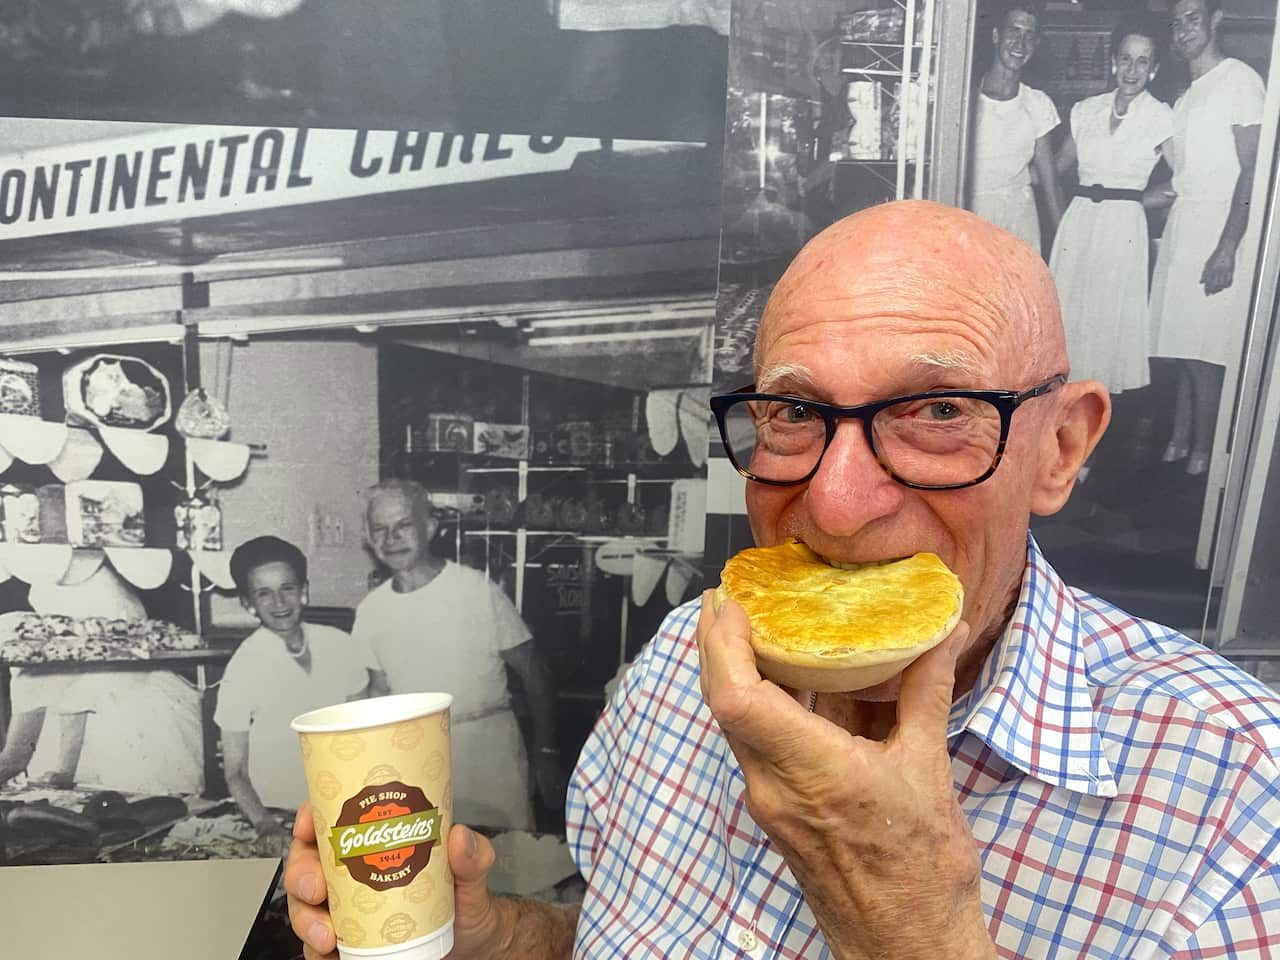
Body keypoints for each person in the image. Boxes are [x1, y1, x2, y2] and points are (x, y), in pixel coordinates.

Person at [285, 201, 1280, 958]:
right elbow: (610, 929)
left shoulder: (1239, 803)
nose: (837, 506)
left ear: (1058, 448)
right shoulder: (686, 657)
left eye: (935, 410)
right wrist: (492, 935)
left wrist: (913, 925)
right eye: (793, 415)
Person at [351, 479, 562, 832]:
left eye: (403, 526)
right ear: (370, 541)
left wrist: (546, 753)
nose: (392, 539)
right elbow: (377, 694)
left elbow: (535, 672)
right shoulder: (372, 610)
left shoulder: (475, 589)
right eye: (380, 530)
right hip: (415, 760)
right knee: (430, 873)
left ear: (430, 528)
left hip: (489, 753)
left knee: (504, 873)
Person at [1148, 0, 1264, 476]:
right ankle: (1180, 441)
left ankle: (1206, 455)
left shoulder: (1239, 80)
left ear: (1216, 20)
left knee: (1205, 356)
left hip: (1220, 229)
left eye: (1194, 17)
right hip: (1184, 228)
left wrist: (1228, 245)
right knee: (1180, 348)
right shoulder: (1185, 96)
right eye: (1177, 22)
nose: (1183, 30)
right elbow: (1180, 181)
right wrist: (1116, 200)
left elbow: (1254, 170)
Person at [213, 535, 380, 845]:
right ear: (248, 604)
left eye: (287, 588)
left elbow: (362, 738)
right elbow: (235, 771)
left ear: (304, 592)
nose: (279, 602)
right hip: (278, 814)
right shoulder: (243, 667)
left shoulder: (340, 645)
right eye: (264, 593)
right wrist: (264, 824)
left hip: (346, 809)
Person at [0, 561, 203, 796]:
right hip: (120, 707)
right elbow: (73, 698)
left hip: (132, 729)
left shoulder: (24, 643)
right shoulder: (55, 591)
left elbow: (16, 757)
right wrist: (65, 769)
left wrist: (65, 769)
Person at [1049, 16, 1173, 395]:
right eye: (1126, 58)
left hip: (1123, 229)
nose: (1131, 69)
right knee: (1070, 318)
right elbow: (1054, 167)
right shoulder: (1086, 110)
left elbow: (1185, 180)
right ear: (1114, 62)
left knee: (1107, 325)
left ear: (1153, 70)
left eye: (1142, 61)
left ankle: (1094, 428)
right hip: (1080, 223)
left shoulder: (1161, 116)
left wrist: (1137, 203)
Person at [968, 0, 1064, 254]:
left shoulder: (1038, 104)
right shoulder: (966, 100)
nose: (1020, 44)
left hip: (1020, 224)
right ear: (996, 35)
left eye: (1029, 35)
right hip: (971, 218)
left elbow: (1050, 184)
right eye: (1014, 31)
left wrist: (1068, 244)